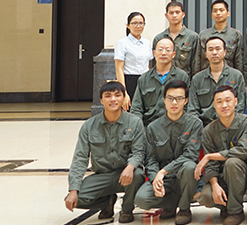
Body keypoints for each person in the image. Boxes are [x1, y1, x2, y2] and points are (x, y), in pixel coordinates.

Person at [65, 81, 145, 224]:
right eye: (108, 96)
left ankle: (127, 209)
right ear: (101, 100)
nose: (113, 99)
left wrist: (130, 167)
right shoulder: (89, 126)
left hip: (126, 173)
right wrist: (73, 190)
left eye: (117, 95)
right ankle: (107, 201)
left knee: (138, 175)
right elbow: (80, 159)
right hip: (102, 176)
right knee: (76, 199)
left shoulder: (135, 122)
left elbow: (139, 151)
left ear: (124, 98)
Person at [134, 80, 202, 225]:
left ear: (186, 101)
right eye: (170, 98)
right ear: (164, 100)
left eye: (179, 98)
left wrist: (164, 171)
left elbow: (191, 155)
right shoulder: (153, 127)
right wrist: (155, 180)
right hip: (165, 180)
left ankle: (184, 208)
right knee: (141, 199)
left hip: (184, 177)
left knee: (190, 166)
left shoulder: (195, 124)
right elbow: (151, 159)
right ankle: (171, 203)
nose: (174, 102)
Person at [196, 84, 247, 225]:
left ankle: (236, 212)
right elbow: (211, 166)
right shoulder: (209, 131)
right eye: (219, 102)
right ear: (214, 105)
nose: (224, 105)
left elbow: (243, 151)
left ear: (236, 101)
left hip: (246, 176)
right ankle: (226, 206)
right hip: (223, 177)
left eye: (228, 100)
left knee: (232, 162)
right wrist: (215, 185)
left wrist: (209, 156)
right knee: (206, 196)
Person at [131, 36, 190, 127]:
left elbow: (188, 106)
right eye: (160, 49)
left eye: (168, 50)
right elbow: (136, 109)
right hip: (149, 126)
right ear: (154, 53)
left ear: (173, 54)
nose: (163, 53)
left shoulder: (182, 76)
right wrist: (140, 128)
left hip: (176, 125)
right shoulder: (144, 79)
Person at [187, 36, 245, 126]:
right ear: (206, 54)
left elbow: (240, 106)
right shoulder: (197, 79)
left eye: (218, 49)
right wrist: (199, 127)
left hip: (230, 125)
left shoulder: (236, 76)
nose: (214, 52)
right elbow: (192, 109)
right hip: (204, 126)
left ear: (224, 52)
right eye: (210, 49)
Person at [115, 11, 153, 110]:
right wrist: (123, 92)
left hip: (146, 81)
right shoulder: (122, 43)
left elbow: (148, 65)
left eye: (141, 23)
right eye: (134, 23)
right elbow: (119, 69)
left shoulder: (147, 43)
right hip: (130, 81)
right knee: (131, 111)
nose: (138, 26)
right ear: (128, 25)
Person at [151, 1, 200, 78]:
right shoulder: (159, 38)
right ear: (166, 15)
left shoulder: (192, 37)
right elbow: (153, 64)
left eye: (177, 12)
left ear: (183, 15)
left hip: (184, 81)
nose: (174, 15)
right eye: (171, 13)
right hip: (163, 80)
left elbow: (196, 64)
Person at [197, 0, 243, 76]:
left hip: (229, 77)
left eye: (221, 10)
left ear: (228, 13)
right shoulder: (203, 35)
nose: (218, 13)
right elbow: (197, 60)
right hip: (206, 76)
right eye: (215, 11)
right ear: (211, 15)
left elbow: (239, 61)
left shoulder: (235, 34)